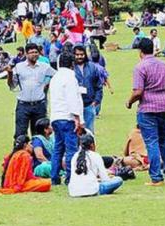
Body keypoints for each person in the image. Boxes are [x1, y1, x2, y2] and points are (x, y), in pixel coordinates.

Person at [126, 38, 165, 186]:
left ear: (140, 52)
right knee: (164, 141)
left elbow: (138, 91)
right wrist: (164, 98)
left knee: (152, 143)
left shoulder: (140, 68)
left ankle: (156, 177)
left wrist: (129, 102)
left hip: (148, 110)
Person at [49, 52, 84, 185]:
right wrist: (77, 117)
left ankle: (54, 177)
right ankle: (70, 177)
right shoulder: (70, 77)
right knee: (71, 149)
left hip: (56, 117)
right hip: (67, 117)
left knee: (58, 149)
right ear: (72, 64)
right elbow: (72, 98)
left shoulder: (55, 77)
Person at [7, 43, 56, 138]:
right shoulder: (19, 67)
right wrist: (9, 74)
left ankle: (39, 152)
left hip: (39, 105)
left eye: (36, 52)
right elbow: (12, 86)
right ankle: (20, 153)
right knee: (20, 134)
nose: (34, 54)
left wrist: (47, 82)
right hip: (23, 105)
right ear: (26, 54)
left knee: (40, 134)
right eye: (31, 52)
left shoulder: (44, 66)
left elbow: (57, 75)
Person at [73, 46, 103, 133]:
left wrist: (96, 101)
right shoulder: (71, 68)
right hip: (75, 107)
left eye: (81, 54)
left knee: (89, 132)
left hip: (89, 105)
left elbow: (98, 86)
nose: (79, 57)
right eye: (77, 55)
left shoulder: (92, 67)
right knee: (75, 132)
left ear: (85, 55)